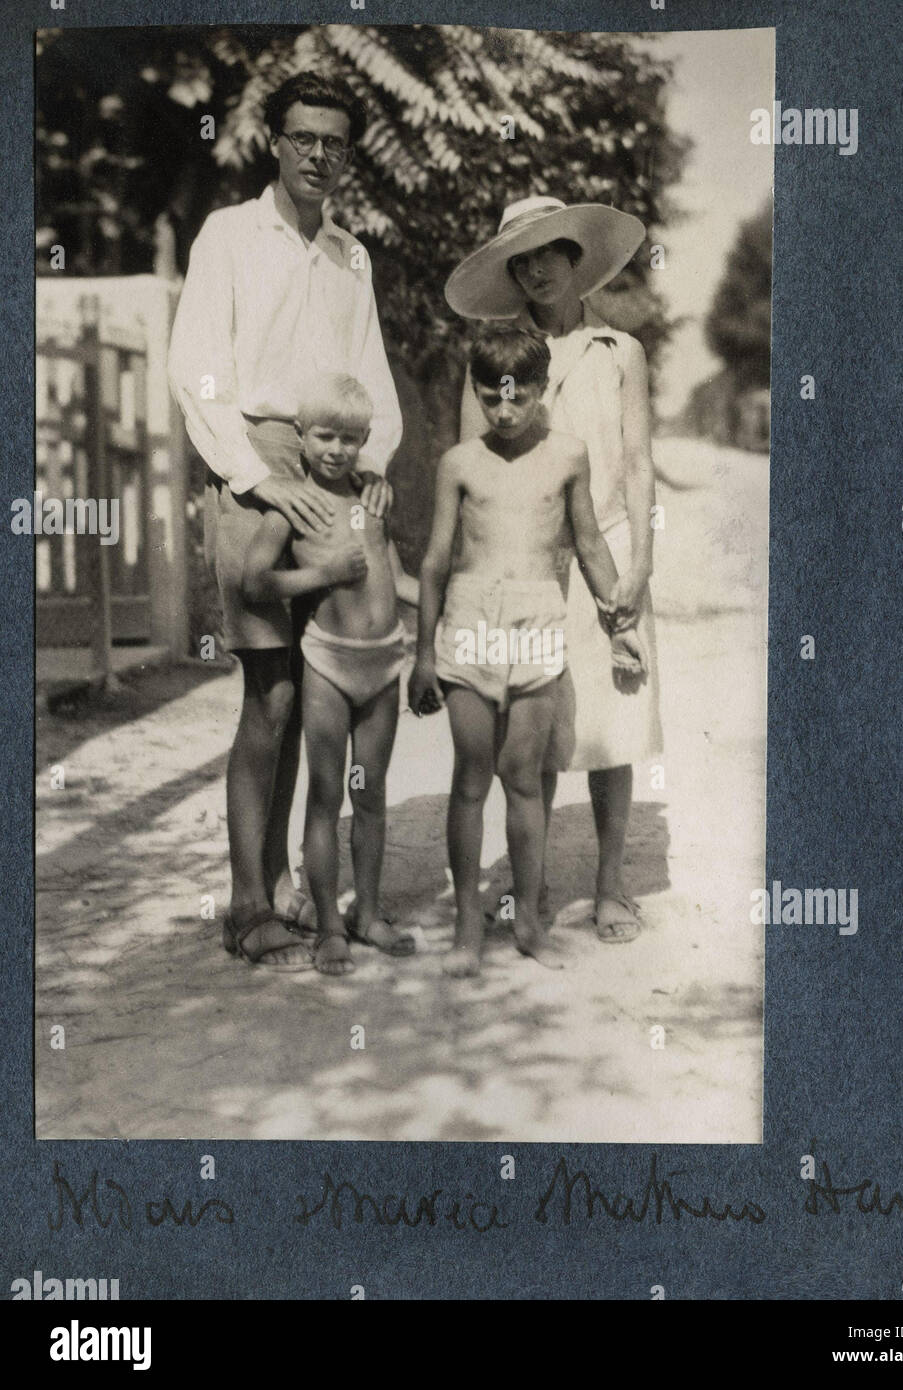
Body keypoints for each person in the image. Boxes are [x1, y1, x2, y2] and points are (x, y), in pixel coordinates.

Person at [168, 72, 402, 970]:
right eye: (302, 137)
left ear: (349, 153)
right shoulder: (230, 235)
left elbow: (373, 387)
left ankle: (294, 892)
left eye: (334, 142)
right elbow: (198, 374)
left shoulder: (351, 258)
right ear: (274, 141)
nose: (318, 154)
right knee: (266, 695)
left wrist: (370, 467)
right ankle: (245, 902)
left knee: (316, 699)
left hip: (333, 479)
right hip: (256, 471)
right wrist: (262, 480)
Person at [445, 196, 663, 945]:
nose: (535, 270)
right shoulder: (496, 358)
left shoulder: (617, 352)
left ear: (578, 262)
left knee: (612, 722)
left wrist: (639, 562)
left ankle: (609, 885)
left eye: (549, 253)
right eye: (520, 260)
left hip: (605, 543)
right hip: (524, 556)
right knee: (523, 727)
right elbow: (469, 465)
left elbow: (636, 463)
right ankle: (526, 887)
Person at [409, 325, 643, 978]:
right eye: (490, 399)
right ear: (478, 393)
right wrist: (424, 655)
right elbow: (434, 562)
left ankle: (529, 923)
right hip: (468, 631)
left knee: (523, 779)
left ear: (542, 390)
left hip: (538, 629)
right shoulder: (460, 464)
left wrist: (617, 618)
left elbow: (590, 542)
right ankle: (464, 926)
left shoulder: (567, 455)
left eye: (518, 397)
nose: (504, 412)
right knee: (468, 778)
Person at [242, 375, 418, 976]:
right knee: (326, 795)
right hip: (328, 665)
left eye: (349, 439)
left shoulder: (372, 503)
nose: (337, 450)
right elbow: (256, 582)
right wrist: (323, 576)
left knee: (369, 795)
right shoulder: (294, 504)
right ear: (301, 435)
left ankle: (367, 913)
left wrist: (454, 603)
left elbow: (398, 580)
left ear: (366, 440)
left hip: (384, 662)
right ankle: (329, 925)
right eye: (324, 436)